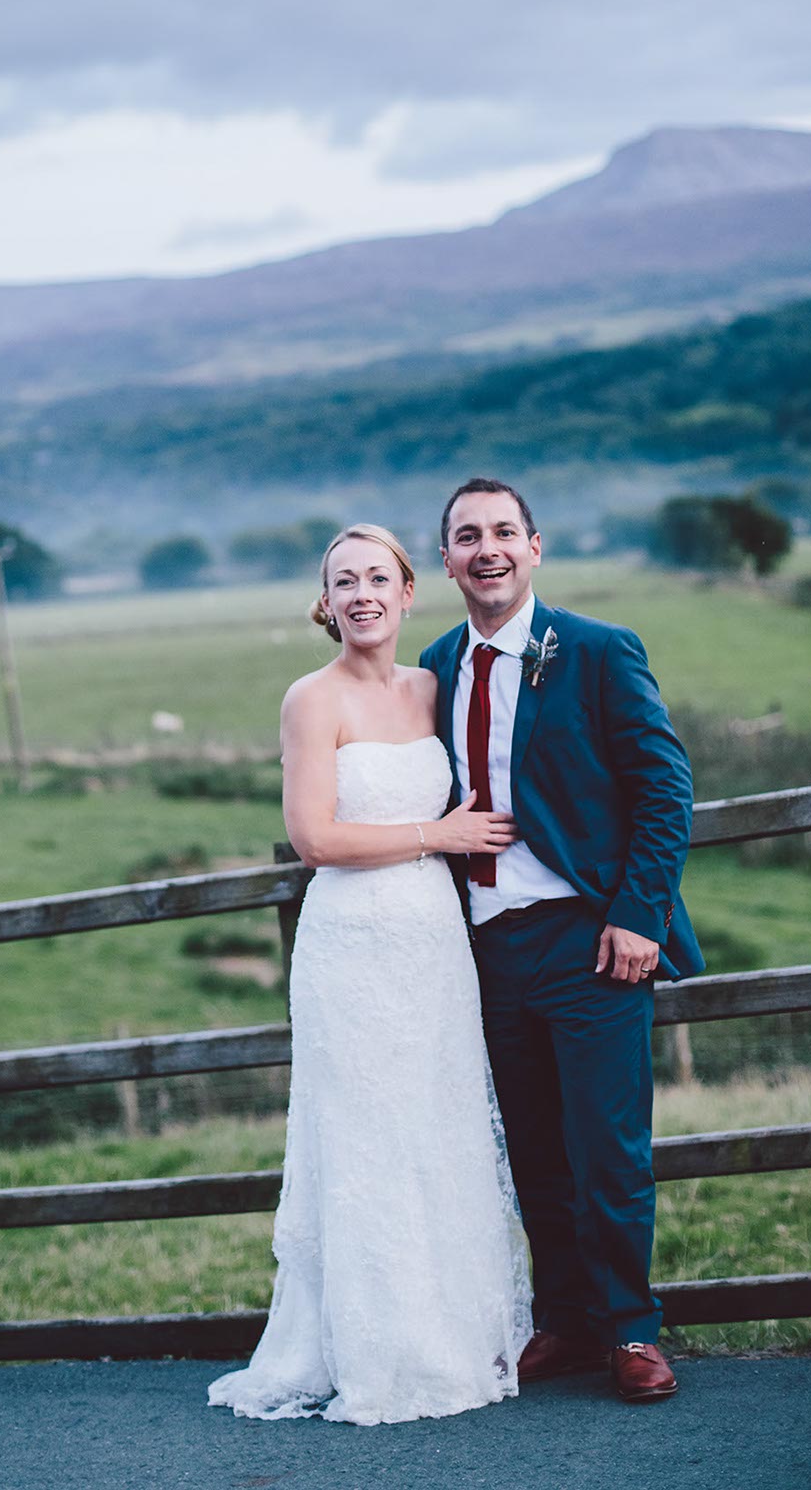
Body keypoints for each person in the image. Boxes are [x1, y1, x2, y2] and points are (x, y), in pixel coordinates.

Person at [208, 523, 533, 1425]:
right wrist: (441, 835)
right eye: (342, 580)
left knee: (436, 1126)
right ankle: (375, 1349)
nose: (360, 594)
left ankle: (453, 1337)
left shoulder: (432, 687)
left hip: (432, 943)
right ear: (326, 601)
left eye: (376, 578)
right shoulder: (310, 700)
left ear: (405, 592)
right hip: (351, 946)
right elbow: (315, 840)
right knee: (364, 1142)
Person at [419, 478, 704, 1405]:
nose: (487, 547)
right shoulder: (434, 665)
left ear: (534, 548)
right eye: (468, 535)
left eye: (504, 531)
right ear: (448, 558)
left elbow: (665, 789)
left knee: (607, 1150)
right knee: (532, 1151)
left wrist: (638, 915)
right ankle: (568, 1322)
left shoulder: (594, 650)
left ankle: (630, 1329)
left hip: (589, 941)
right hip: (485, 952)